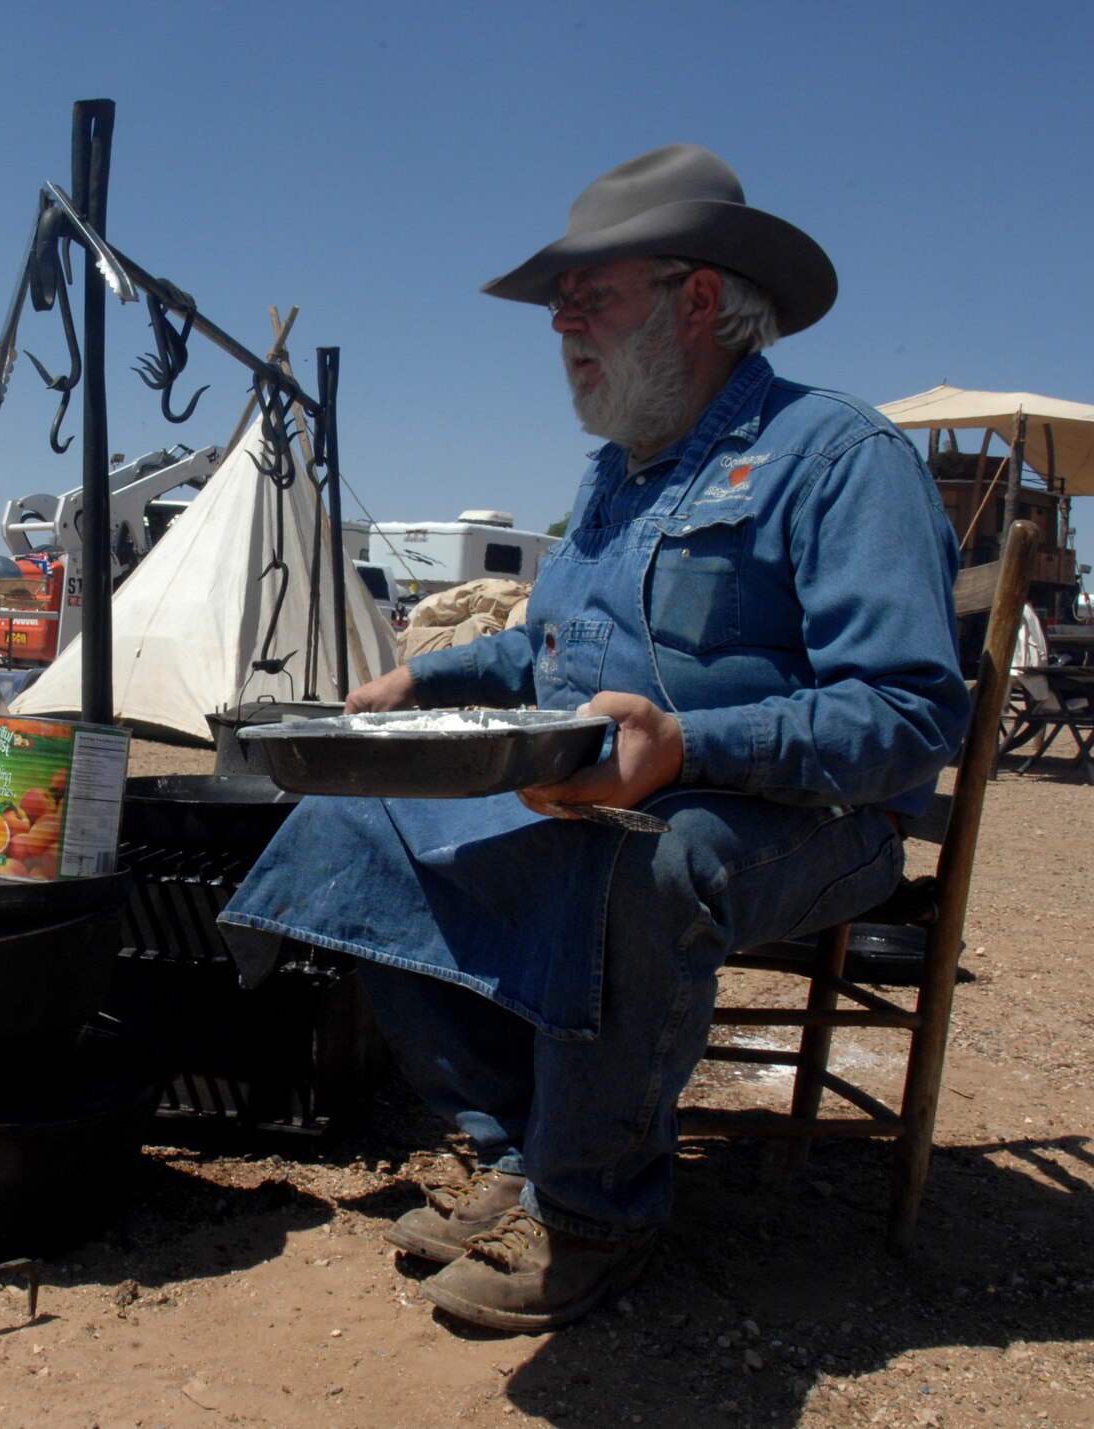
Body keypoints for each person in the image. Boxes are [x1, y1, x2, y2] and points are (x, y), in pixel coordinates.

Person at [218, 145, 970, 1332]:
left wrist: (688, 746)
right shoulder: (615, 480)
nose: (559, 320)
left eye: (590, 293)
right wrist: (418, 676)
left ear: (700, 299)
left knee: (636, 861)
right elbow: (548, 656)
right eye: (556, 300)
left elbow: (907, 717)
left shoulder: (834, 458)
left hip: (807, 820)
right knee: (350, 820)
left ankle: (594, 1216)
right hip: (610, 790)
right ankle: (516, 1146)